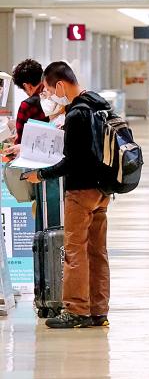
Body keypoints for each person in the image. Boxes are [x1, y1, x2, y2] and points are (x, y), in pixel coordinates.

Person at [25, 62, 114, 329]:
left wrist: (40, 175)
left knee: (74, 252)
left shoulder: (76, 114)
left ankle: (76, 310)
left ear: (61, 85)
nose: (51, 96)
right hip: (102, 190)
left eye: (50, 90)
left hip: (80, 192)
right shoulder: (100, 105)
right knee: (98, 252)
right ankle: (98, 310)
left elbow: (71, 162)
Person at [10, 59, 46, 143]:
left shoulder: (27, 105)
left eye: (24, 90)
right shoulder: (54, 94)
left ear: (27, 86)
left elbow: (20, 141)